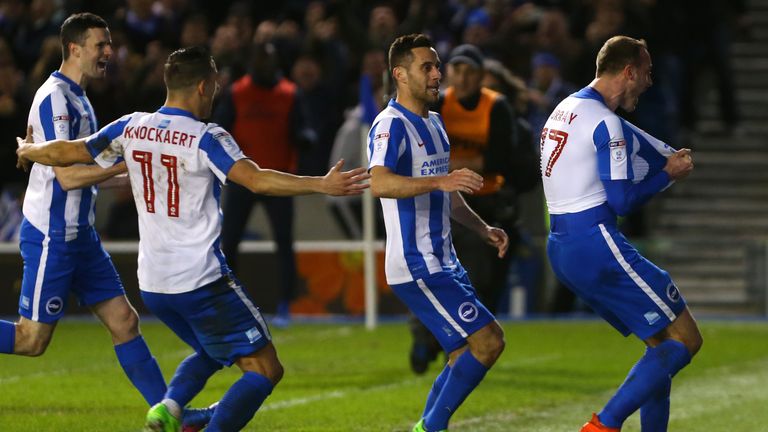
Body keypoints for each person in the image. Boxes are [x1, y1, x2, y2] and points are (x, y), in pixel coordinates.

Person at [17, 45, 369, 432]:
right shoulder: (205, 137)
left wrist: (30, 149)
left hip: (152, 284)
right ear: (203, 87)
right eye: (215, 86)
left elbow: (71, 151)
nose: (216, 93)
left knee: (211, 348)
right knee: (265, 369)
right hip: (200, 281)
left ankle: (169, 407)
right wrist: (321, 184)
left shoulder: (130, 126)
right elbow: (256, 180)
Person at [0, 11, 171, 418]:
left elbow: (87, 179)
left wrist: (139, 180)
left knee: (125, 322)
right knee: (31, 340)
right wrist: (122, 167)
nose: (109, 52)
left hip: (82, 237)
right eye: (101, 44)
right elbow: (68, 178)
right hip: (52, 237)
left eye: (109, 44)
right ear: (75, 48)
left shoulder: (80, 97)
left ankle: (172, 414)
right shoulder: (56, 98)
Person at [540, 35, 702, 432]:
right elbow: (622, 202)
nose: (648, 83)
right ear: (628, 71)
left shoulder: (565, 108)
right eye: (646, 74)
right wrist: (666, 174)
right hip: (594, 242)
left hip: (562, 246)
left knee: (659, 347)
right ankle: (603, 425)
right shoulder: (606, 124)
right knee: (685, 339)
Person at [368, 34, 507, 432]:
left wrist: (482, 229)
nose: (436, 74)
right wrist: (440, 182)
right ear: (400, 74)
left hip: (444, 259)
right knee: (488, 342)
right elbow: (379, 183)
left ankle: (428, 426)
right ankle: (432, 427)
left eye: (436, 65)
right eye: (426, 67)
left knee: (463, 351)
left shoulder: (434, 121)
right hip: (417, 263)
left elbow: (445, 191)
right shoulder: (390, 124)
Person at [407, 43, 539, 375]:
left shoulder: (496, 107)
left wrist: (446, 166)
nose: (462, 78)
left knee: (476, 280)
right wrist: (457, 168)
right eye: (457, 70)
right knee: (435, 273)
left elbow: (495, 161)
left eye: (470, 72)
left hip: (485, 203)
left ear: (481, 76)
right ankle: (429, 340)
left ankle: (453, 342)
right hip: (443, 200)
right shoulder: (438, 104)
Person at [212, 41, 316, 325]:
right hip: (243, 178)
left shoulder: (290, 93)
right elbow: (220, 129)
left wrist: (305, 137)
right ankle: (229, 303)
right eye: (261, 61)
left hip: (278, 178)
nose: (265, 66)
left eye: (268, 60)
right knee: (229, 241)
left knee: (284, 243)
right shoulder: (236, 93)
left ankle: (286, 305)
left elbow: (302, 125)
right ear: (252, 63)